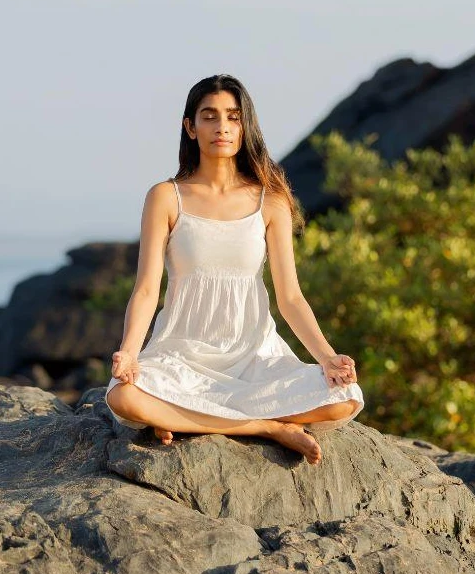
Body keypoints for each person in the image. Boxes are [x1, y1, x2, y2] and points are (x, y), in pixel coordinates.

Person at [104, 74, 364, 465]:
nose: (221, 127)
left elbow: (290, 297)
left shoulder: (271, 200)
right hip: (181, 355)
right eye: (209, 116)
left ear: (246, 126)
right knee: (122, 397)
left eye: (233, 116)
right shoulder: (165, 197)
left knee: (345, 398)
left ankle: (189, 418)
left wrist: (327, 358)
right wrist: (130, 352)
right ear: (190, 127)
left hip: (253, 356)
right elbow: (145, 290)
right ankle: (266, 427)